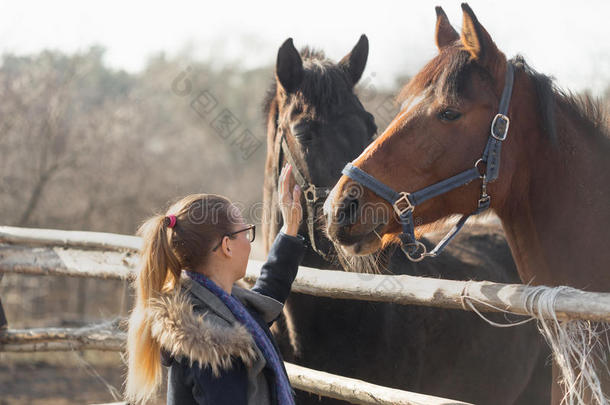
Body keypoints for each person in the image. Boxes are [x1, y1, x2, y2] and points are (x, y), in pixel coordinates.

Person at [125, 165, 304, 405]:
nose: (250, 242)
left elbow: (263, 302)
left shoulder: (204, 306)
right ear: (227, 246)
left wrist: (289, 231)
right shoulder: (217, 344)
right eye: (245, 232)